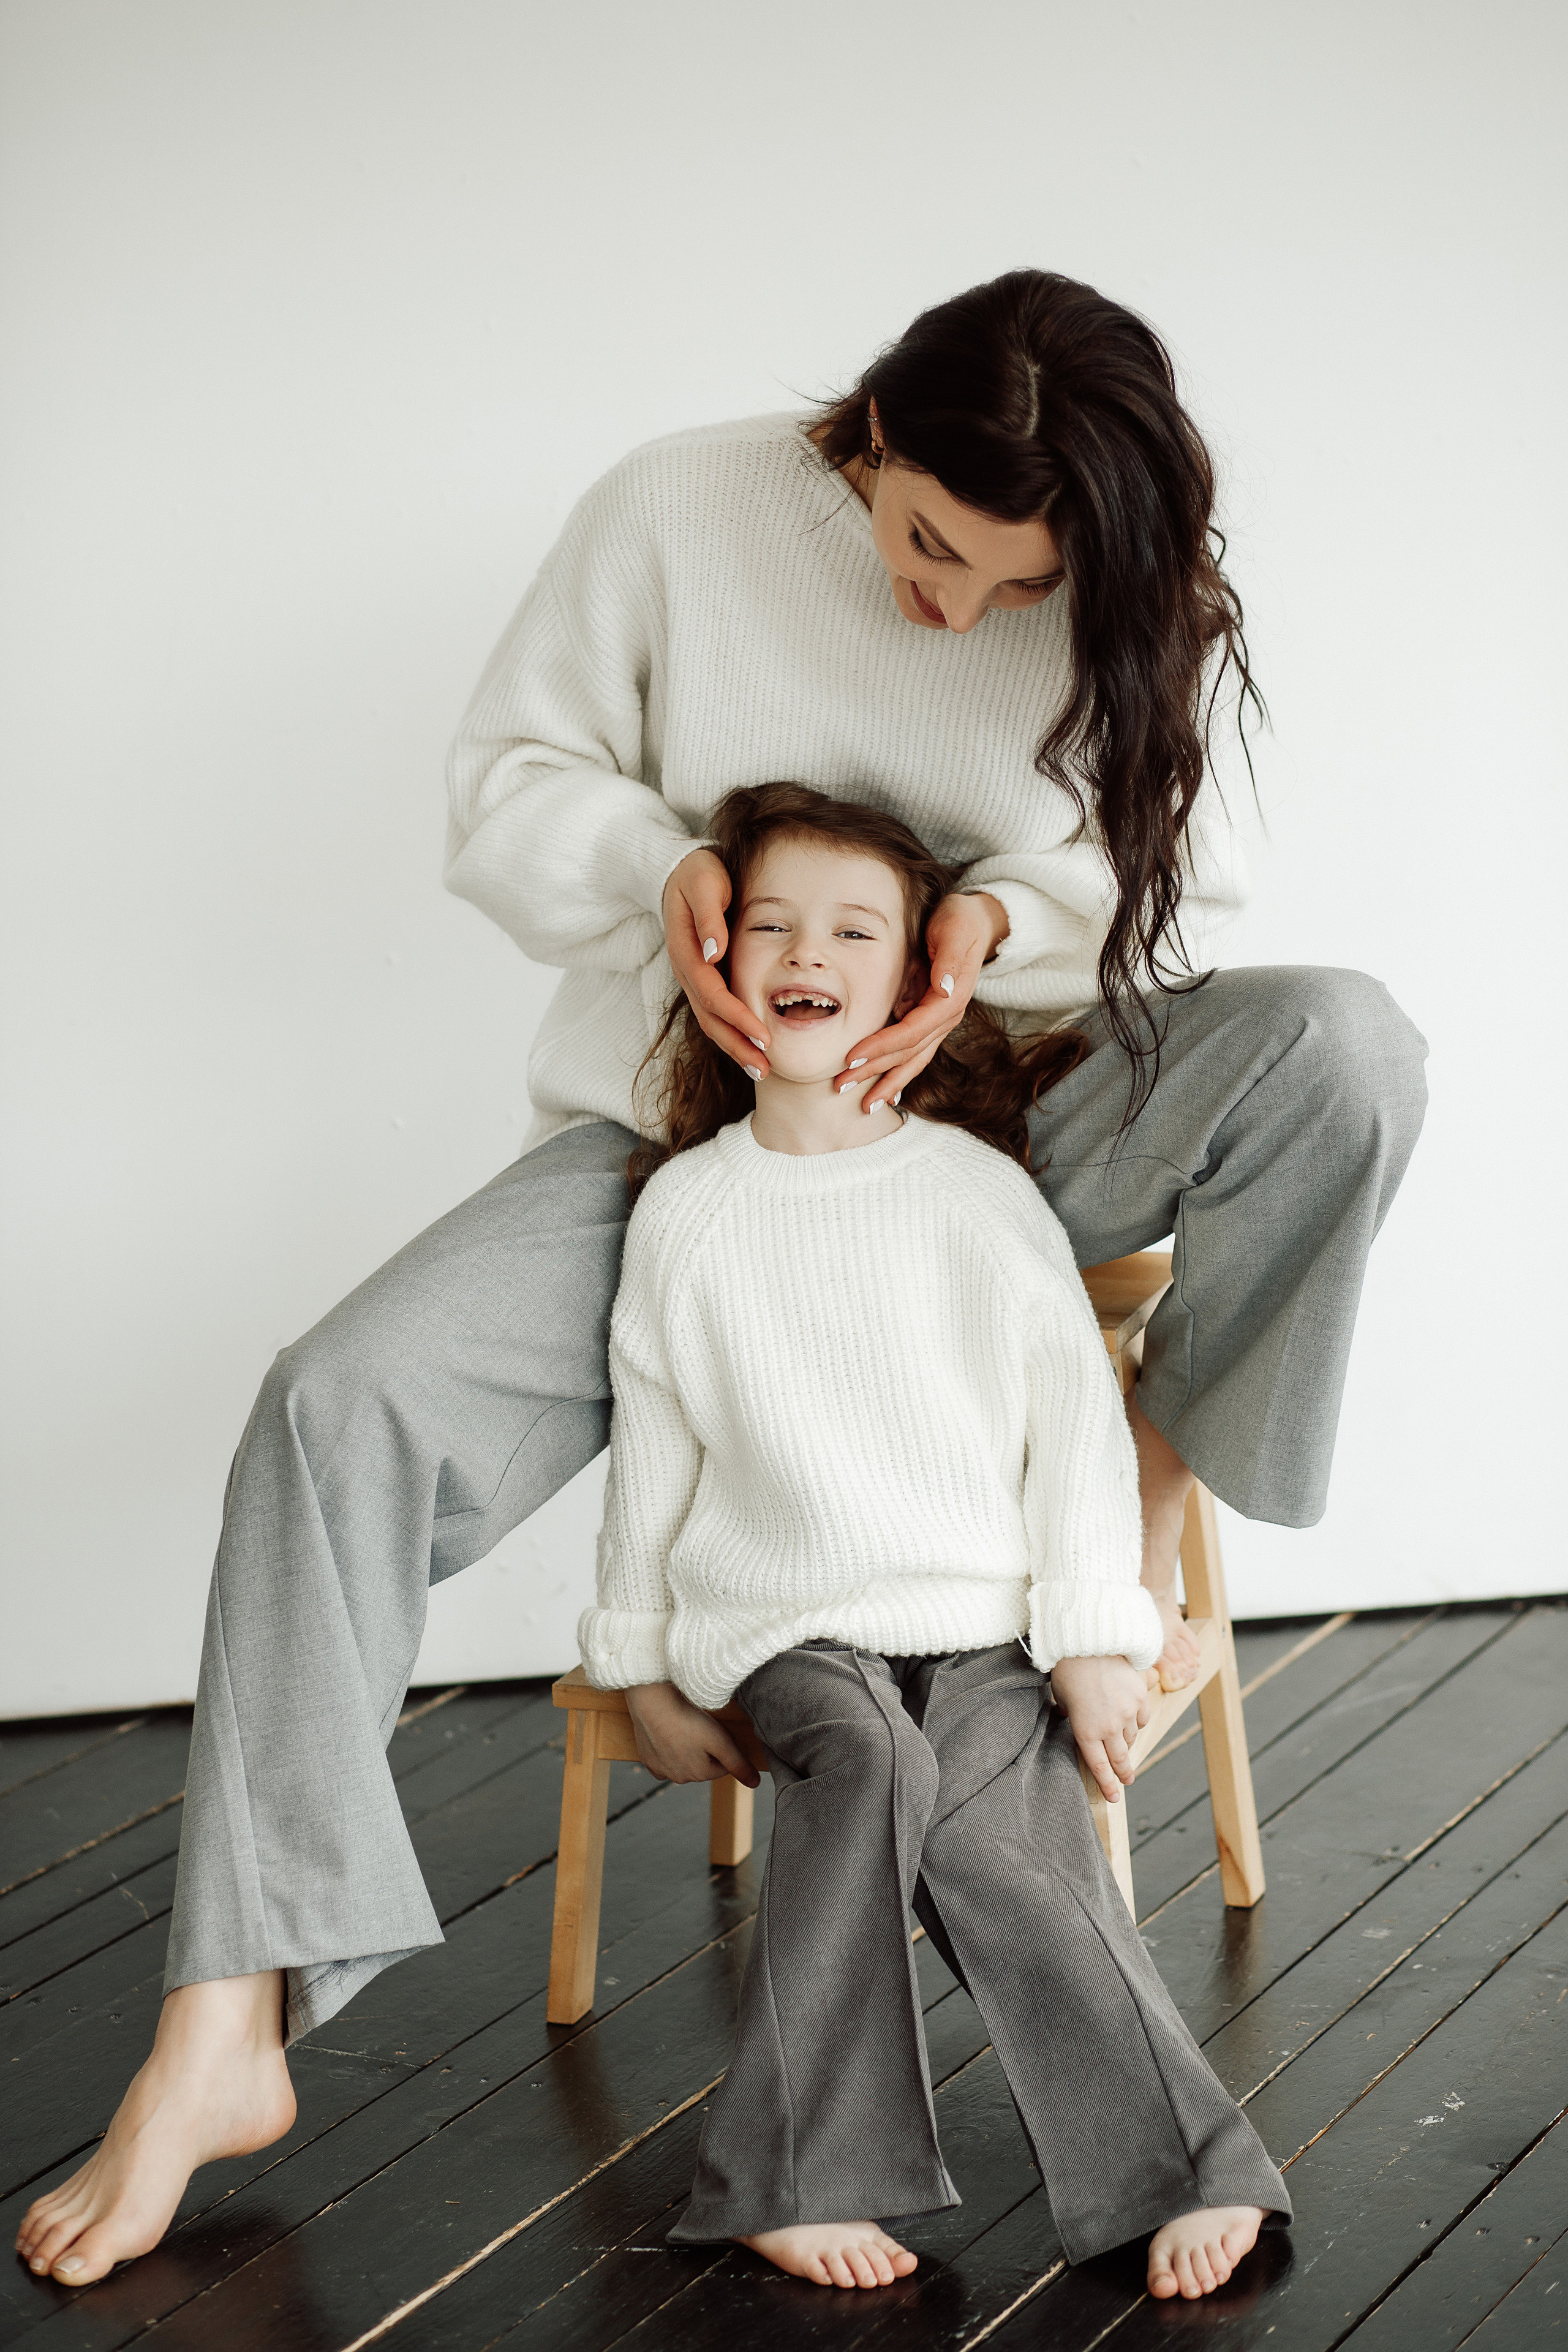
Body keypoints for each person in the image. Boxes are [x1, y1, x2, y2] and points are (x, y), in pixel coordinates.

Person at [17, 268, 1425, 2290]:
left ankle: (1138, 1505)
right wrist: (656, 870)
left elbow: (1184, 869)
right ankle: (225, 2024)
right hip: (694, 1121)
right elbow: (505, 788)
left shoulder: (1124, 590)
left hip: (1014, 1093)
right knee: (338, 1402)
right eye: (929, 544)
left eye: (1007, 589)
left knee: (1349, 1050)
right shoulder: (679, 510)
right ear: (869, 435)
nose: (951, 607)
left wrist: (982, 932)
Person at [595, 782, 1291, 2301]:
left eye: (852, 928)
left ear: (919, 981)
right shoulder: (689, 1216)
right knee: (868, 1760)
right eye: (770, 922)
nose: (805, 949)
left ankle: (1180, 2168)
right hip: (784, 1622)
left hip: (978, 1614)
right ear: (717, 964)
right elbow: (653, 1452)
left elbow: (1068, 1435)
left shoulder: (974, 1198)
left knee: (996, 1821)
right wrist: (638, 1663)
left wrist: (1094, 1633)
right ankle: (789, 2172)